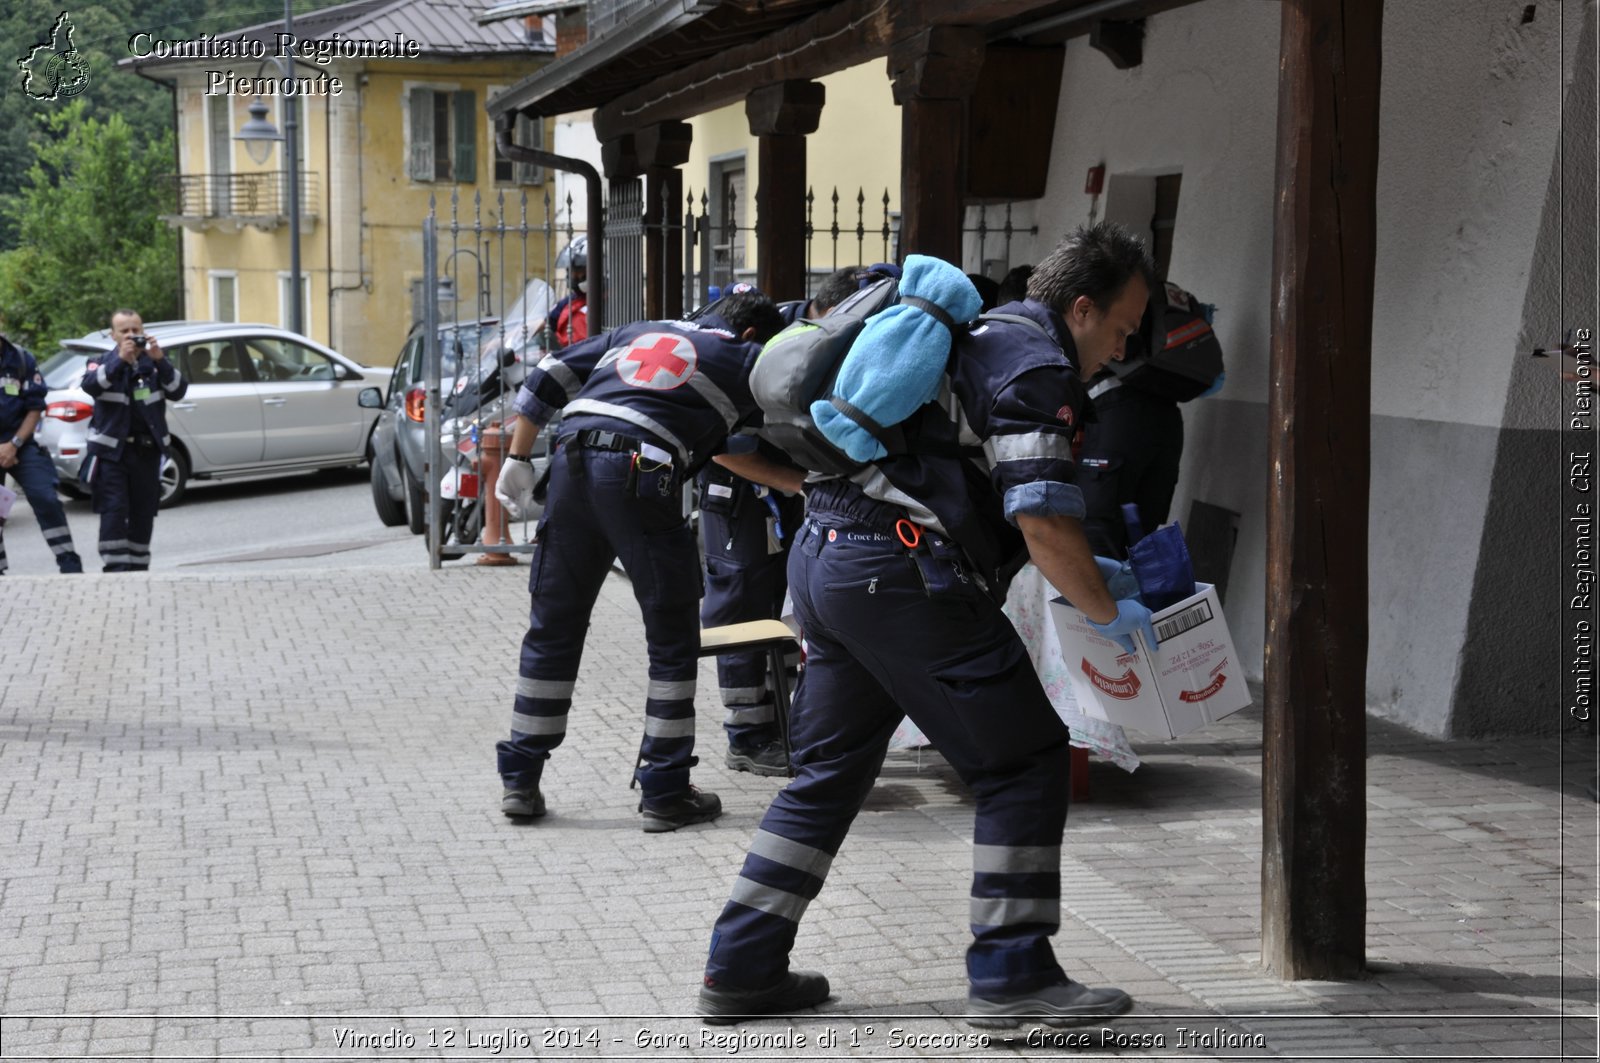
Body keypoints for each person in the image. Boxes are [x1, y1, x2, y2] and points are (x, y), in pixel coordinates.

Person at [697, 222, 1158, 1028]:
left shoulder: (978, 339)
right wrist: (1111, 613)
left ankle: (742, 965)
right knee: (1026, 757)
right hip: (901, 573)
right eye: (1120, 329)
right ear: (1081, 309)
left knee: (827, 773)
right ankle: (1013, 976)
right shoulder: (1032, 362)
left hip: (829, 555)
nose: (1118, 352)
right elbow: (1044, 516)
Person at [493, 289, 787, 831]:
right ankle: (666, 791)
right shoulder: (749, 360)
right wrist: (807, 483)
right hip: (638, 472)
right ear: (750, 335)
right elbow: (756, 438)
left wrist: (515, 457)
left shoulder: (636, 331)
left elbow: (548, 372)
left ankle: (520, 778)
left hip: (570, 460)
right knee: (673, 637)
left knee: (552, 628)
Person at [697, 271, 863, 776]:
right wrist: (796, 482)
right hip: (740, 498)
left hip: (787, 488)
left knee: (787, 607)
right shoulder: (751, 344)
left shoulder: (810, 337)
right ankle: (747, 736)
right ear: (820, 310)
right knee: (742, 610)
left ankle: (787, 727)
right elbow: (720, 448)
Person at [1077, 280, 1222, 558]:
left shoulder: (1105, 292)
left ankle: (1101, 602)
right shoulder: (1157, 296)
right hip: (1166, 418)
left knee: (1097, 538)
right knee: (1138, 539)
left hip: (1116, 418)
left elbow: (1096, 520)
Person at [80, 310, 186, 572]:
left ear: (143, 331)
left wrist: (160, 359)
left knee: (143, 512)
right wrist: (120, 361)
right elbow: (91, 386)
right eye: (124, 331)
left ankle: (139, 571)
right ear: (113, 335)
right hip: (112, 455)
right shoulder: (100, 362)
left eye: (135, 330)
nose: (130, 335)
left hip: (146, 453)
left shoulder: (154, 364)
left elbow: (178, 391)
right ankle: (116, 572)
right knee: (114, 511)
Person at [0, 332, 83, 575]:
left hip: (20, 444)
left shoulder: (20, 359)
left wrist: (13, 444)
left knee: (45, 497)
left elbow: (35, 407)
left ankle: (70, 566)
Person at [545, 236, 589, 347]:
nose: (572, 275)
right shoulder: (572, 300)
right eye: (570, 270)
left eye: (578, 270)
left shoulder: (611, 305)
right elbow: (546, 322)